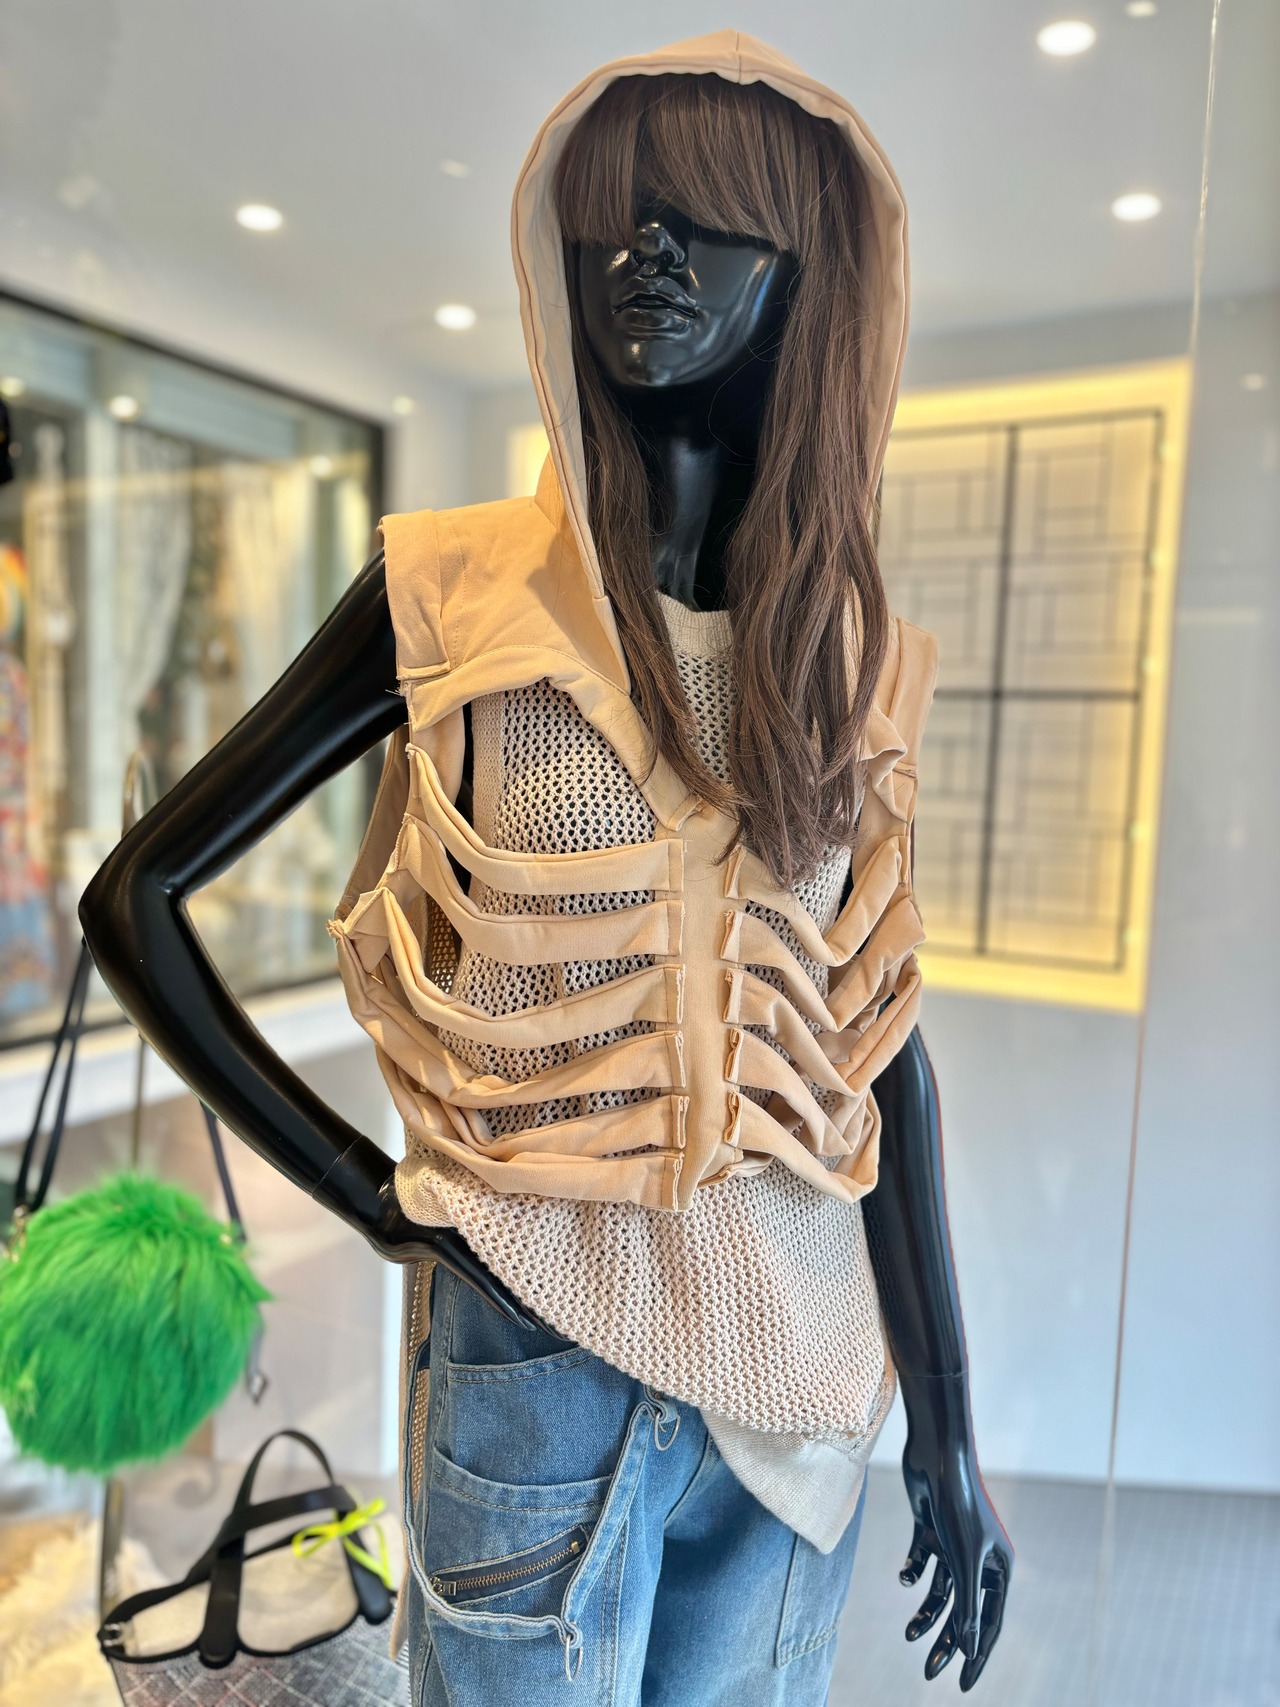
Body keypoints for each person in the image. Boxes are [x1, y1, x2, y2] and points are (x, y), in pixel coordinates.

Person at [82, 32, 1011, 1705]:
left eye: (704, 218)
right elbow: (136, 896)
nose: (644, 257)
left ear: (808, 269)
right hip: (539, 1342)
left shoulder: (846, 659)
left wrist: (947, 1417)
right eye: (610, 220)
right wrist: (371, 1199)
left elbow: (880, 1044)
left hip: (800, 1384)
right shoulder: (451, 592)